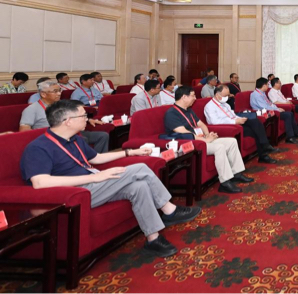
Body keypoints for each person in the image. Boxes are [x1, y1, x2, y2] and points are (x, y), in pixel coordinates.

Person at [21, 99, 201, 257]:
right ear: (68, 121)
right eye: (83, 116)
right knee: (139, 168)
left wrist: (130, 152)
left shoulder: (75, 139)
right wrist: (94, 178)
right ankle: (169, 210)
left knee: (138, 186)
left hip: (93, 184)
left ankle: (153, 239)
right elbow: (40, 182)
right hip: (76, 192)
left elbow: (96, 158)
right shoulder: (38, 147)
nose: (87, 119)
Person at [163, 86, 252, 194]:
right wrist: (204, 140)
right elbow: (183, 133)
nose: (195, 98)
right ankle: (225, 183)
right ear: (184, 97)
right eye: (193, 96)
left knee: (232, 142)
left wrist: (207, 134)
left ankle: (236, 173)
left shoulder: (189, 110)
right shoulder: (172, 113)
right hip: (190, 143)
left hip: (201, 138)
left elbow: (201, 124)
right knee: (219, 147)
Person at [18, 80, 109, 152]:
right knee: (81, 139)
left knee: (102, 136)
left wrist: (88, 120)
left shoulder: (62, 105)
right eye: (55, 91)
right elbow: (24, 131)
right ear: (43, 94)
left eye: (59, 90)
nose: (59, 94)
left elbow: (74, 116)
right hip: (53, 137)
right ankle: (81, 163)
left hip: (71, 131)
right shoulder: (32, 109)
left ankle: (97, 162)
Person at [205, 84, 278, 163]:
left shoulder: (225, 104)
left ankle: (265, 146)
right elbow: (215, 122)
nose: (227, 97)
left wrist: (239, 118)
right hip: (230, 127)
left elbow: (232, 115)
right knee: (255, 131)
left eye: (228, 95)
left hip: (236, 122)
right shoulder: (210, 106)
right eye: (225, 96)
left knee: (256, 122)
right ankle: (263, 154)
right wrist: (235, 121)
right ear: (217, 95)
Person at [252, 77, 298, 144]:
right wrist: (277, 109)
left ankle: (295, 133)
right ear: (263, 85)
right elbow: (264, 107)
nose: (268, 86)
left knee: (290, 114)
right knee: (287, 115)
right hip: (264, 112)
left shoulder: (262, 93)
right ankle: (290, 137)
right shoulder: (256, 95)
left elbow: (270, 104)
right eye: (267, 84)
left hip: (270, 110)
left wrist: (277, 108)